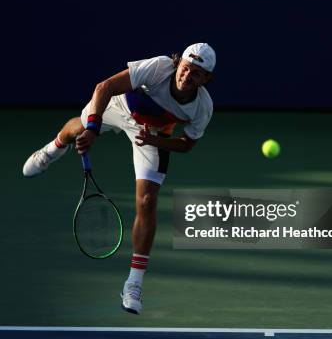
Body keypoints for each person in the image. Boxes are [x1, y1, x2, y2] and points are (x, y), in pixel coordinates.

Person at [23, 43, 216, 314]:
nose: (187, 76)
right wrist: (92, 127)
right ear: (177, 64)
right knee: (78, 129)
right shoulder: (159, 67)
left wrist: (156, 140)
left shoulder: (202, 107)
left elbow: (186, 144)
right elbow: (104, 87)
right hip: (119, 106)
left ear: (206, 79)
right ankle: (53, 149)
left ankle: (134, 283)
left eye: (196, 74)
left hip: (150, 133)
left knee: (148, 201)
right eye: (186, 68)